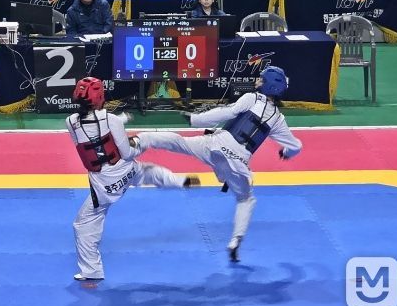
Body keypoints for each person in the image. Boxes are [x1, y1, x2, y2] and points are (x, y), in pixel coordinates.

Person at [135, 66, 302, 262]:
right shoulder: (278, 119)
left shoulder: (252, 98)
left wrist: (196, 119)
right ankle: (236, 240)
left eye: (261, 79)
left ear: (269, 86)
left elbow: (225, 113)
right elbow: (296, 146)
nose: (257, 81)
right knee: (245, 200)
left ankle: (141, 140)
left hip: (216, 145)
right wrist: (286, 153)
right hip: (238, 163)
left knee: (179, 142)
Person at [67, 77, 199, 281]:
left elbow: (93, 135)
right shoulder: (111, 119)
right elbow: (127, 153)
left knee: (83, 225)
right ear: (100, 96)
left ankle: (91, 270)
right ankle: (178, 179)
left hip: (105, 184)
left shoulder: (71, 122)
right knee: (147, 155)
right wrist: (134, 140)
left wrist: (121, 121)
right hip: (126, 169)